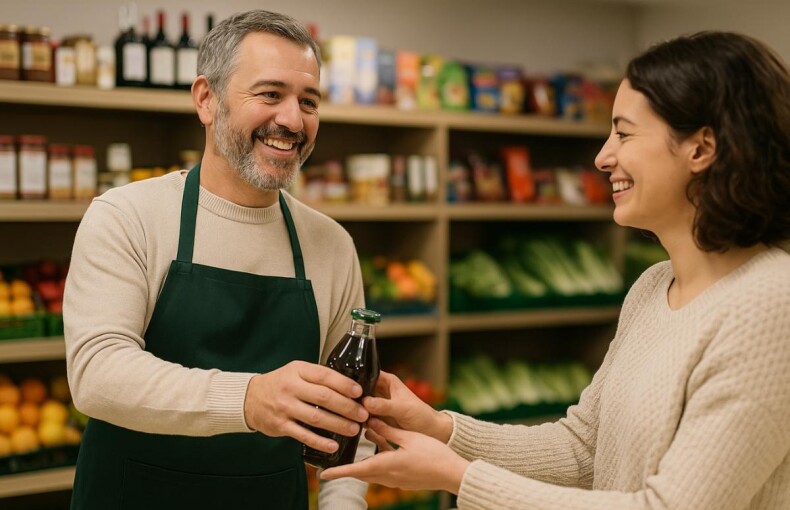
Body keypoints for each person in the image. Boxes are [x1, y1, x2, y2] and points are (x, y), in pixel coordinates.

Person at [321, 31, 790, 509]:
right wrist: (441, 428)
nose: (603, 157)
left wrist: (462, 478)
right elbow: (584, 450)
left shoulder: (770, 304)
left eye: (624, 133)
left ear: (701, 148)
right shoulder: (653, 287)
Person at [64, 10, 373, 510]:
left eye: (308, 101)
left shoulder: (331, 245)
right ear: (206, 100)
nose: (292, 120)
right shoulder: (128, 217)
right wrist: (249, 400)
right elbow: (97, 376)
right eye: (270, 95)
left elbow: (349, 417)